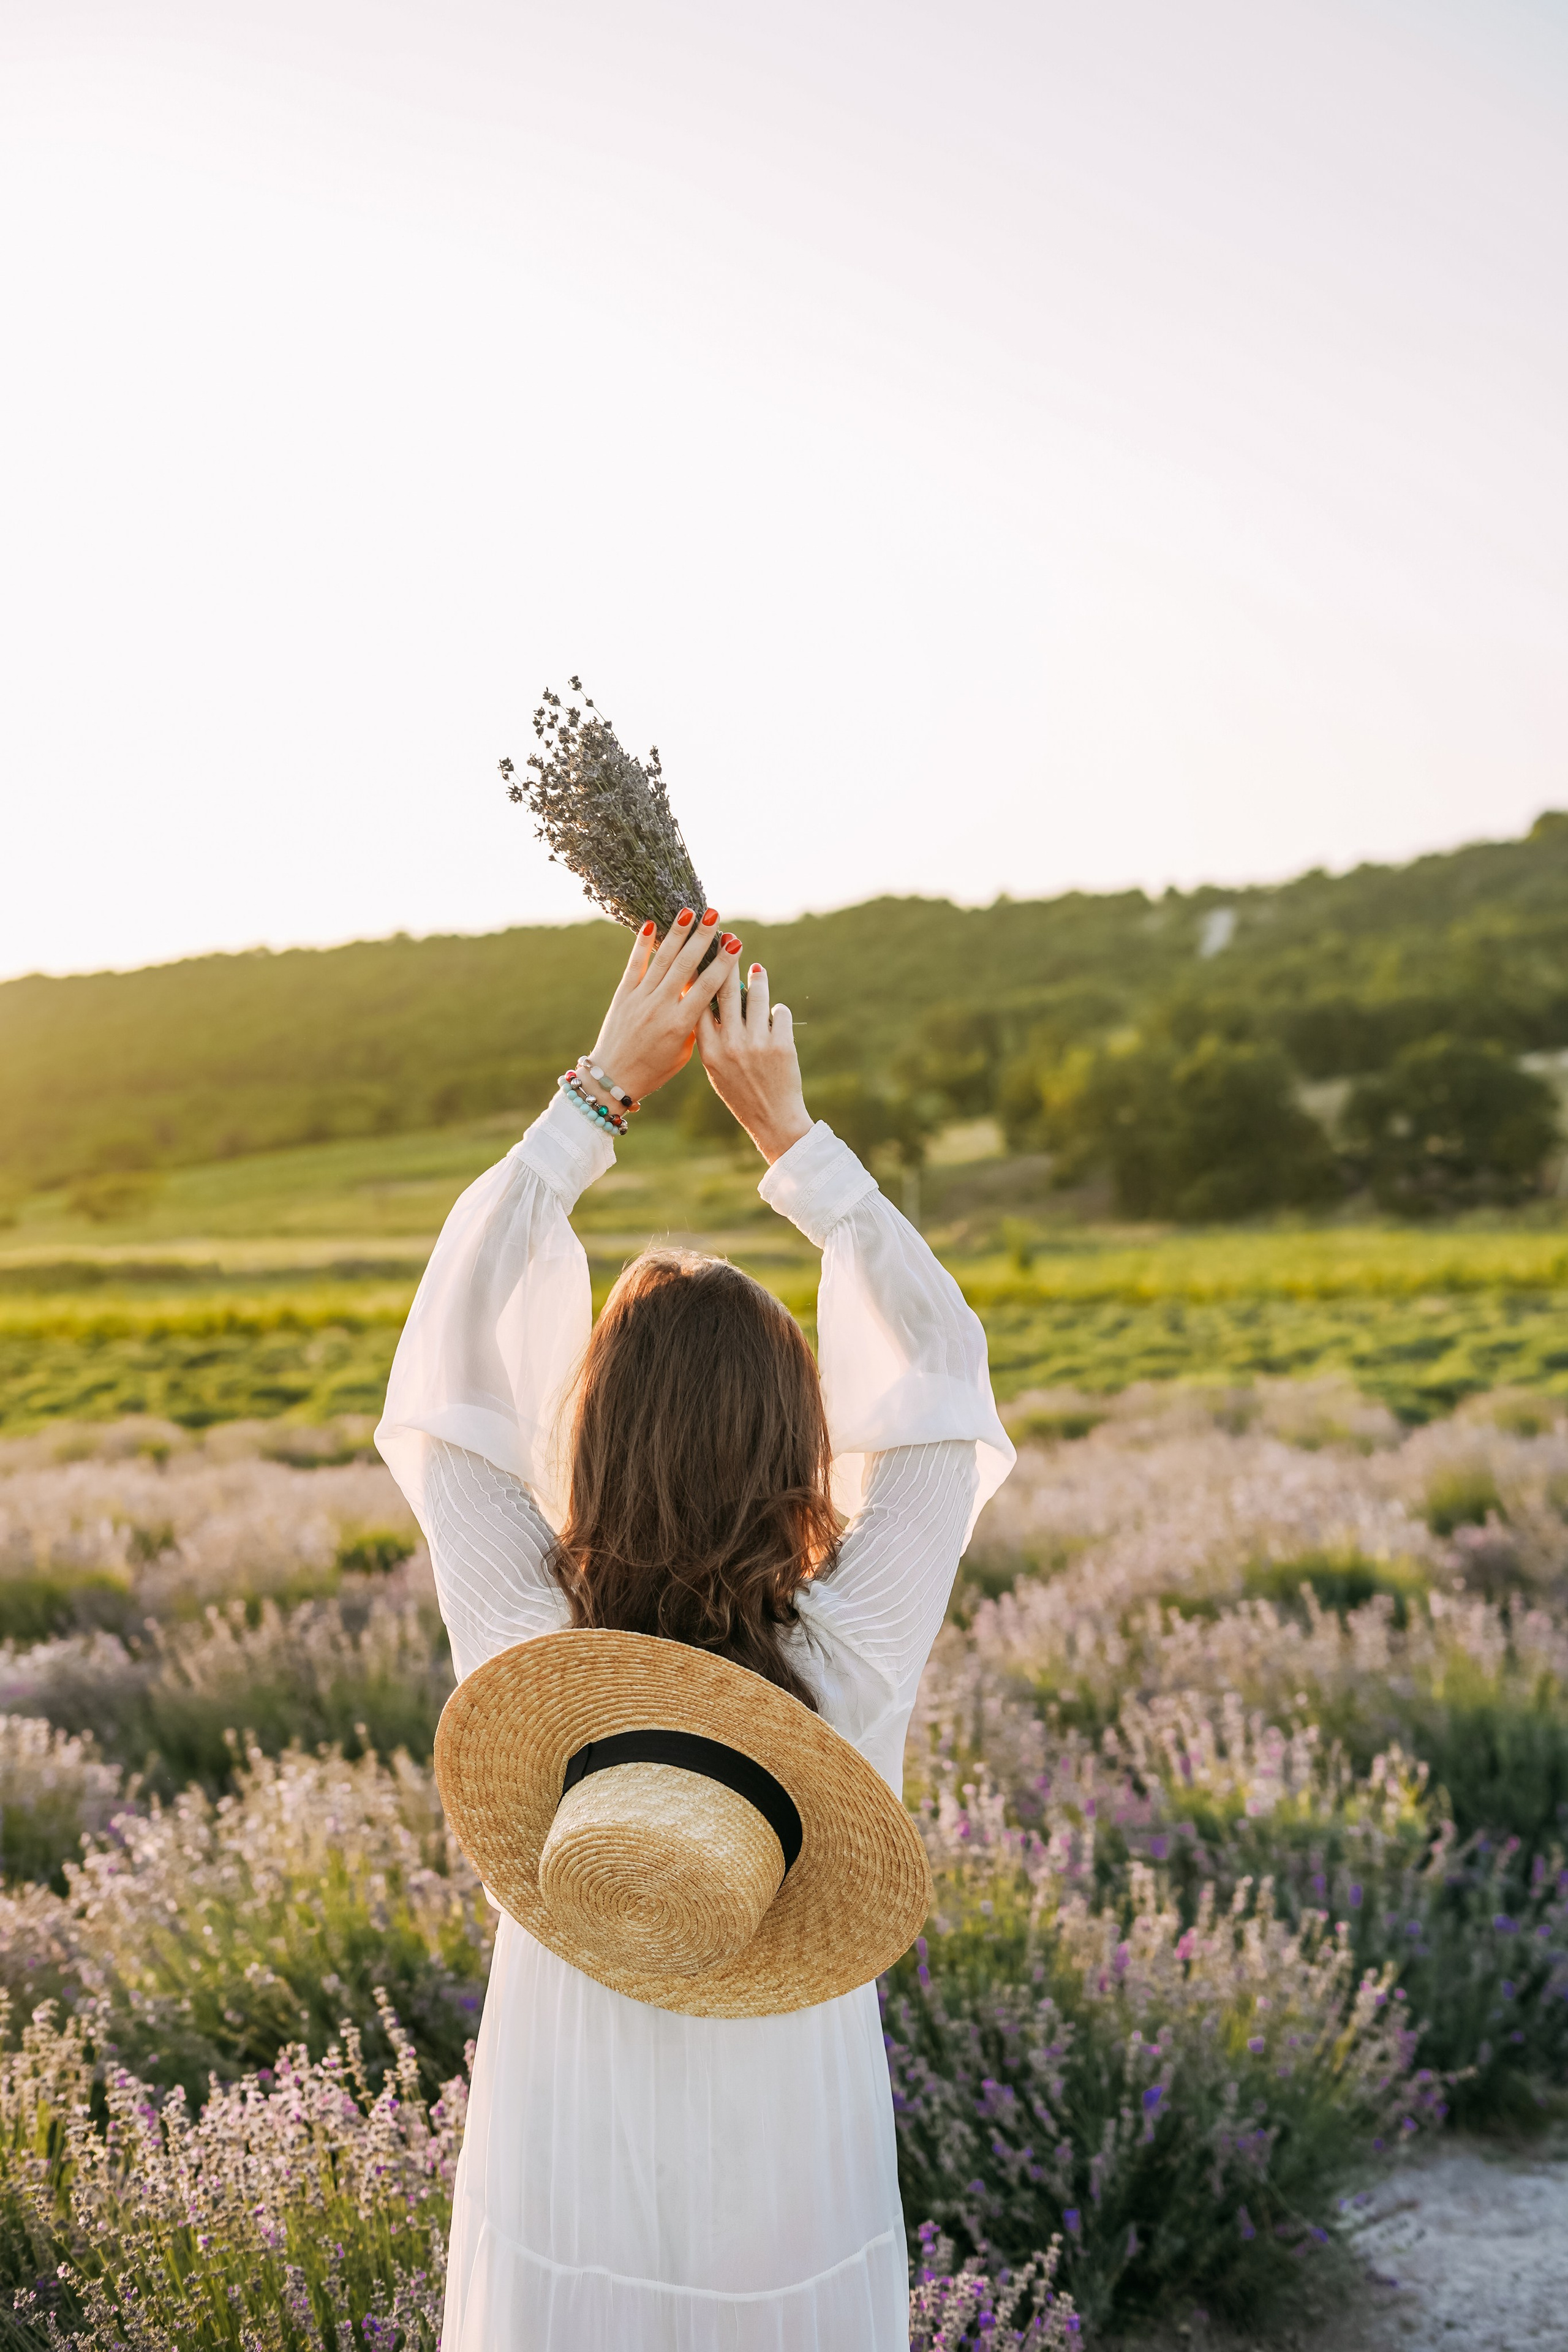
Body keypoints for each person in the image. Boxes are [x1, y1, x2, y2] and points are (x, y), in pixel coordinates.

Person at [376, 903, 1014, 2352]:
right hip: (783, 2089)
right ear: (799, 1440)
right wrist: (793, 1144)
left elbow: (447, 1359)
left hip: (564, 2081)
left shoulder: (527, 1632)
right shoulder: (849, 1642)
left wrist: (597, 1093)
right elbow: (945, 1370)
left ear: (588, 1439)